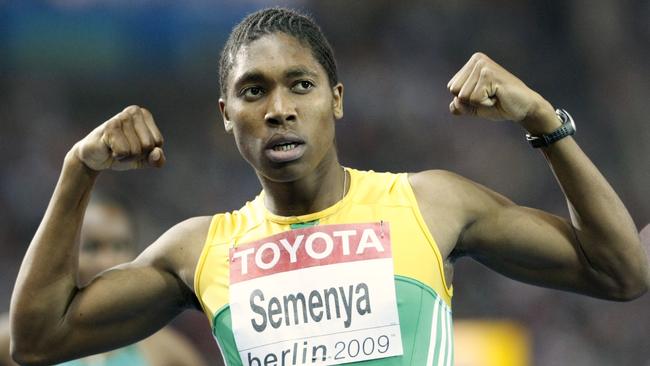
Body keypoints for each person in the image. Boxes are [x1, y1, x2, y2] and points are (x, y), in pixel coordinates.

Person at [9, 7, 648, 366]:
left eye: (301, 85)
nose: (279, 108)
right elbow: (37, 340)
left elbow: (621, 272)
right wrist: (77, 170)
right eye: (253, 91)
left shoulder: (431, 203)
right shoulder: (198, 250)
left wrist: (542, 119)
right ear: (226, 116)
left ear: (336, 100)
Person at [1, 198, 207, 366]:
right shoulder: (14, 340)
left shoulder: (165, 351)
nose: (108, 261)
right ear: (64, 256)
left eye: (119, 246)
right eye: (92, 247)